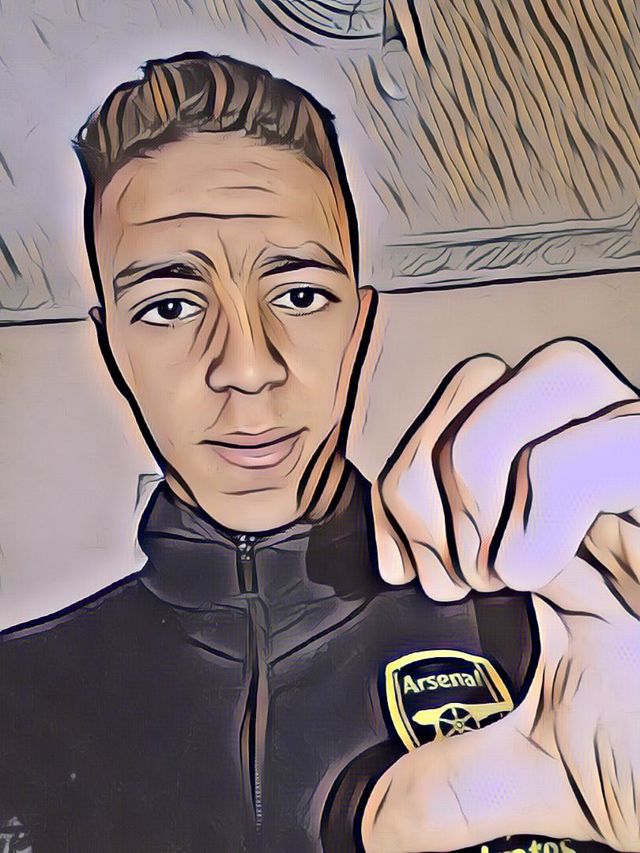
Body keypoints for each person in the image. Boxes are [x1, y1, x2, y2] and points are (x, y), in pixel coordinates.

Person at [1, 52, 639, 853]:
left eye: (300, 295)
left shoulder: (560, 639)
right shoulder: (15, 699)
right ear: (113, 352)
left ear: (358, 330)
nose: (246, 367)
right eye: (169, 307)